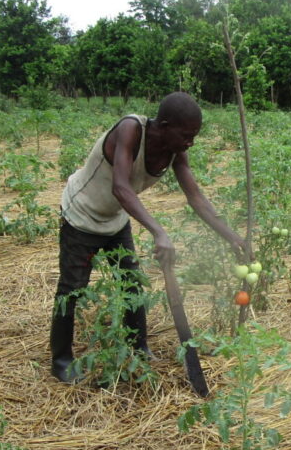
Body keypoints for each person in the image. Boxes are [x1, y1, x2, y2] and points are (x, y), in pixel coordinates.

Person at [50, 92, 249, 383]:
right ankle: (61, 360)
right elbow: (121, 187)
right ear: (165, 126)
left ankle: (138, 348)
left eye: (194, 136)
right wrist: (159, 232)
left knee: (132, 284)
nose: (190, 143)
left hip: (115, 218)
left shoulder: (175, 150)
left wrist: (232, 237)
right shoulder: (130, 129)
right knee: (72, 289)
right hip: (81, 216)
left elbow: (195, 197)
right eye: (187, 135)